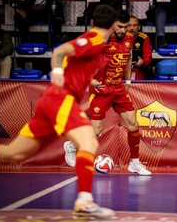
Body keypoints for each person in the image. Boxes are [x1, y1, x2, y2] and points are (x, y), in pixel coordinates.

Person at [0, 4, 117, 217]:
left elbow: (76, 63)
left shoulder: (96, 45)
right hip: (60, 99)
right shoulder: (94, 39)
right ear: (115, 25)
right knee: (89, 142)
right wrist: (59, 71)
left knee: (13, 154)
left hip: (50, 102)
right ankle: (84, 201)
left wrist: (85, 78)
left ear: (91, 22)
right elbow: (61, 50)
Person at [64, 10, 152, 176]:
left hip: (118, 88)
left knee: (133, 125)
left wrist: (127, 81)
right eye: (120, 27)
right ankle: (71, 146)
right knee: (96, 130)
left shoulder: (129, 39)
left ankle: (134, 163)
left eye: (126, 27)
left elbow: (127, 59)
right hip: (101, 89)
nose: (123, 31)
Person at [128, 15, 154, 80]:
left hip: (139, 64)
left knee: (150, 68)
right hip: (123, 63)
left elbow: (148, 56)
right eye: (129, 25)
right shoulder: (121, 37)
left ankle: (148, 88)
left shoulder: (144, 38)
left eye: (134, 25)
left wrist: (143, 62)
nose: (132, 28)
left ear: (139, 27)